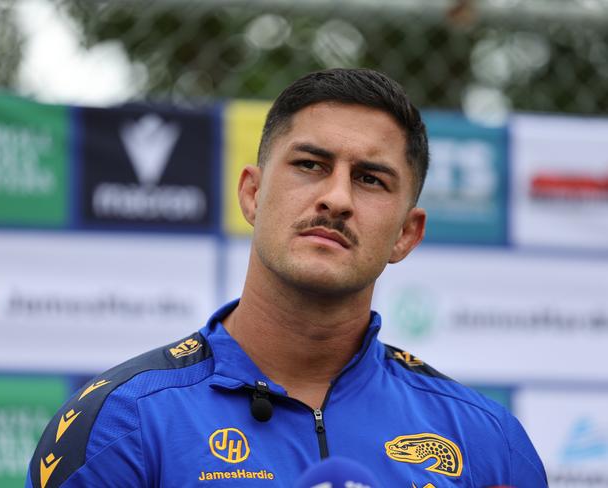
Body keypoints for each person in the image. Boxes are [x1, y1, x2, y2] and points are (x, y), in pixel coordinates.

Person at [27, 68, 547, 487]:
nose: (337, 198)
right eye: (311, 165)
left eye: (370, 179)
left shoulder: (487, 443)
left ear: (406, 234)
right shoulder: (121, 425)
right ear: (253, 194)